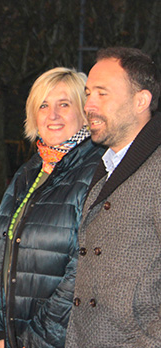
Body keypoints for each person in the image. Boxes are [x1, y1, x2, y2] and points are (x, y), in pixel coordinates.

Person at [0, 67, 104, 348]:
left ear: (84, 113)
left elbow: (83, 271)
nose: (52, 114)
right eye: (43, 105)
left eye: (64, 104)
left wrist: (32, 342)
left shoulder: (97, 172)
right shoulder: (28, 172)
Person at [65, 47, 161, 347]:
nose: (89, 105)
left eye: (102, 94)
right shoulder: (105, 165)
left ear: (140, 100)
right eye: (88, 93)